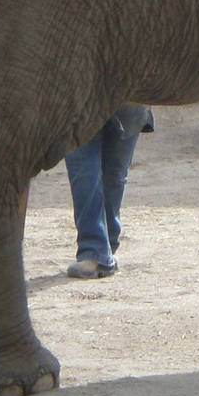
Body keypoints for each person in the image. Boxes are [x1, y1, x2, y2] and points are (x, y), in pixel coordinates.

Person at [62, 105, 152, 278]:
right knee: (84, 173)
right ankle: (94, 249)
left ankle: (106, 246)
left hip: (128, 100)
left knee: (114, 176)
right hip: (77, 100)